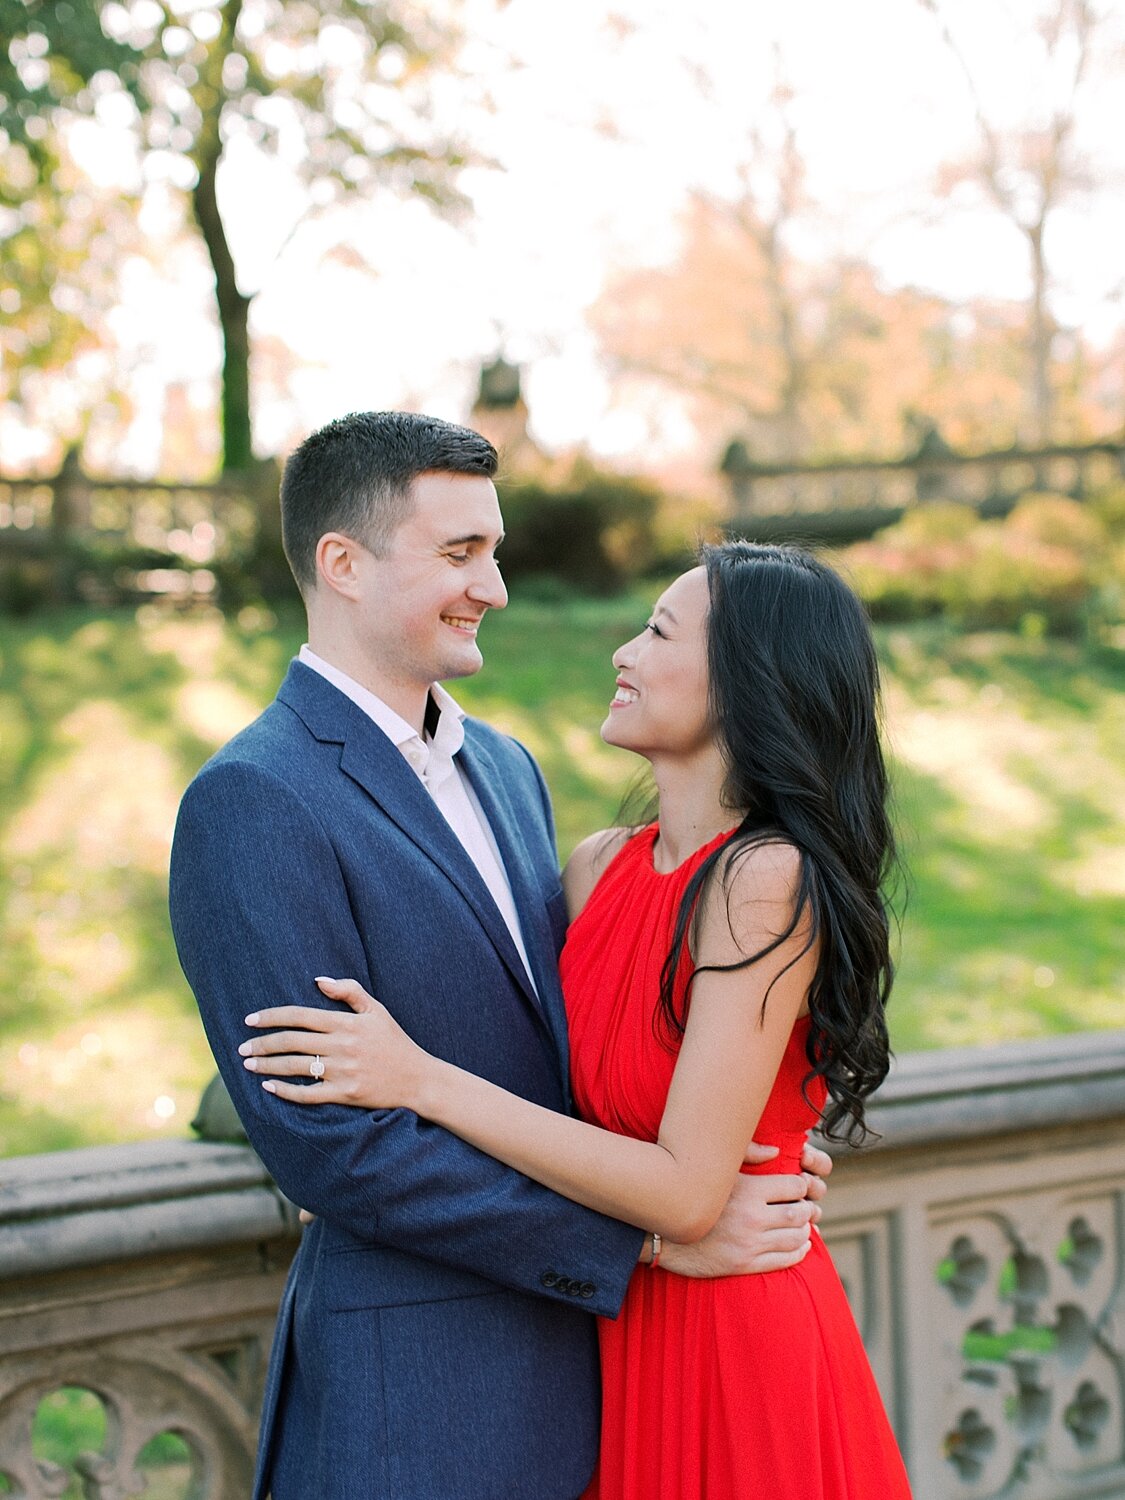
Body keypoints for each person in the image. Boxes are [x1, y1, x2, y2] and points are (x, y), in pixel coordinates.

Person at [169, 413, 831, 1500]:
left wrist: (754, 1147)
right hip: (420, 1409)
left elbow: (586, 1040)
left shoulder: (510, 772)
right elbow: (335, 1149)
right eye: (459, 553)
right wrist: (655, 1246)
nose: (498, 586)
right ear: (343, 563)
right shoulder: (253, 799)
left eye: (495, 548)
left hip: (612, 1392)